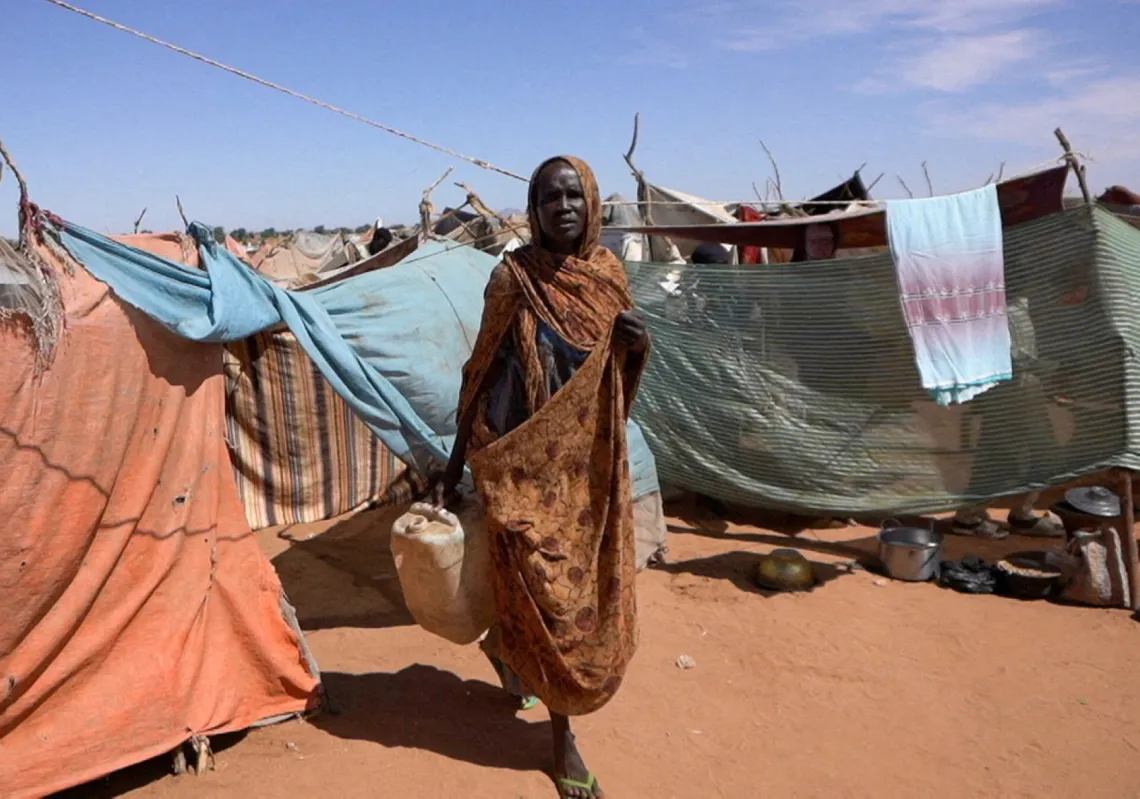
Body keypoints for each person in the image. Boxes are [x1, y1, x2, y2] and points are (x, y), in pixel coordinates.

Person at [434, 155, 650, 798]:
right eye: (550, 198)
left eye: (574, 197)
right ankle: (564, 740)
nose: (563, 208)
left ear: (591, 205)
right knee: (542, 592)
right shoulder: (513, 278)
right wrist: (453, 466)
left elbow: (616, 376)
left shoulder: (607, 276)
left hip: (585, 471)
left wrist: (637, 347)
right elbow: (480, 370)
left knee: (568, 598)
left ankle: (515, 658)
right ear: (533, 209)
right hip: (518, 461)